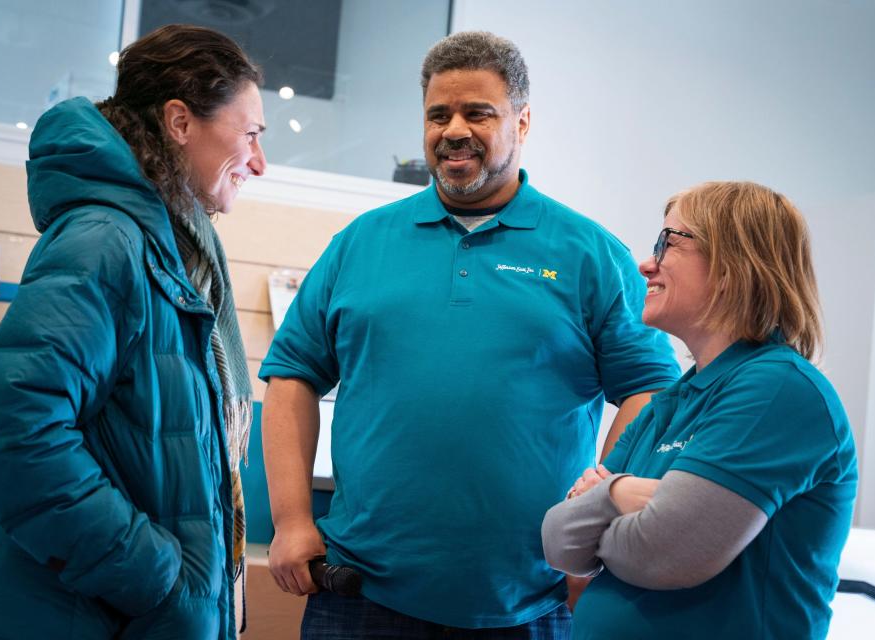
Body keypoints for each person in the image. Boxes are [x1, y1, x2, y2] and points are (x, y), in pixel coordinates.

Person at [259, 31, 680, 637]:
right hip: (361, 593)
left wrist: (592, 524)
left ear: (522, 120)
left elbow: (650, 390)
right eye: (438, 115)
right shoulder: (361, 243)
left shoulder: (591, 254)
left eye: (478, 112)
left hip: (531, 600)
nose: (453, 129)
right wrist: (293, 518)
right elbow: (292, 377)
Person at [0, 24, 266, 640]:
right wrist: (161, 578)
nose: (259, 161)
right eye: (251, 133)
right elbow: (12, 435)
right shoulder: (106, 240)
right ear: (180, 122)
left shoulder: (169, 252)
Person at [541, 181, 858, 639]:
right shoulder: (673, 400)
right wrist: (637, 500)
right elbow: (560, 541)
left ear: (735, 264)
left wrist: (612, 492)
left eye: (667, 243)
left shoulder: (779, 390)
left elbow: (664, 552)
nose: (646, 264)